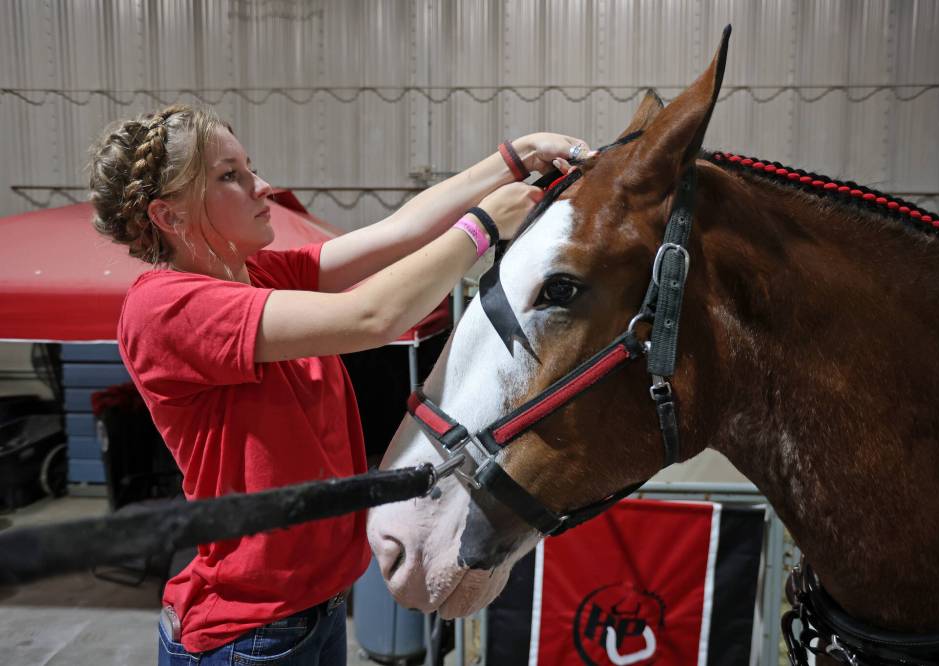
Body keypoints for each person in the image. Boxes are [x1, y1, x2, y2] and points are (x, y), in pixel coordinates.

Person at [87, 103, 591, 665]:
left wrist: (516, 156)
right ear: (168, 215)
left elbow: (398, 232)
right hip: (247, 633)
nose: (262, 186)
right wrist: (483, 226)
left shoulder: (261, 277)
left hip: (312, 611)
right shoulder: (166, 308)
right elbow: (371, 317)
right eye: (230, 176)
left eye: (250, 168)